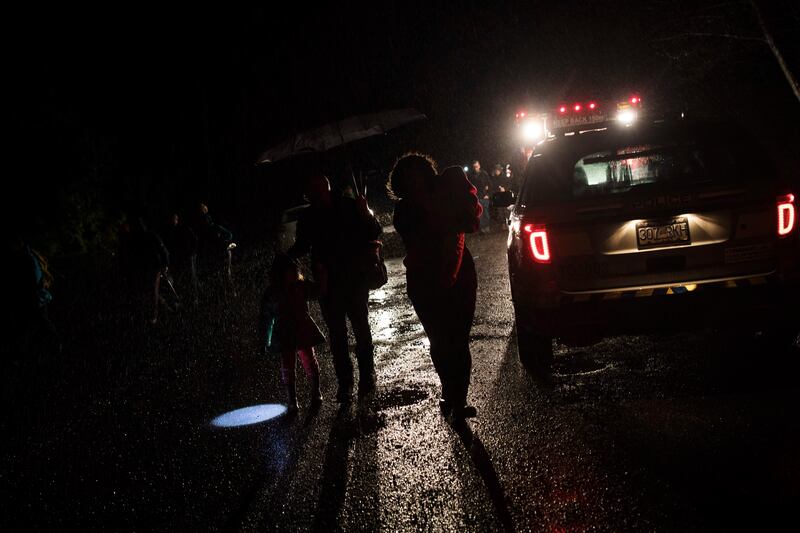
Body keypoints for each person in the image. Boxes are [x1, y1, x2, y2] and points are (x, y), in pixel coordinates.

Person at [390, 153, 482, 421]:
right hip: (425, 280)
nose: (416, 182)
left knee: (459, 340)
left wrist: (455, 193)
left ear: (429, 175)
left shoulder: (447, 189)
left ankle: (458, 401)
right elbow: (422, 232)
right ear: (401, 185)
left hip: (460, 274)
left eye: (419, 175)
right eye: (409, 179)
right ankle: (449, 391)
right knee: (440, 340)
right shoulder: (404, 210)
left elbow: (469, 222)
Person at [288, 175, 382, 402]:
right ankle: (346, 383)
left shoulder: (350, 206)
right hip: (328, 284)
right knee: (338, 335)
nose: (313, 196)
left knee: (360, 328)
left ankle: (367, 375)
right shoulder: (309, 217)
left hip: (355, 278)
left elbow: (374, 231)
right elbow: (302, 246)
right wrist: (285, 257)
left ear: (325, 189)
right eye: (310, 193)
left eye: (316, 191)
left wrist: (366, 210)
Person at [260, 254, 325, 412]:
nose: (294, 273)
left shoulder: (300, 286)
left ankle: (315, 392)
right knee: (289, 365)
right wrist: (265, 339)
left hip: (300, 328)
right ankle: (292, 400)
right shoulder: (274, 292)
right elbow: (266, 317)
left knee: (309, 359)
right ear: (281, 273)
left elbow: (318, 290)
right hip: (286, 333)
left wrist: (322, 274)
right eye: (291, 270)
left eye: (294, 270)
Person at [120, 217, 169, 324]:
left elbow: (162, 248)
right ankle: (161, 308)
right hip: (144, 267)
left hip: (154, 267)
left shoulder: (149, 235)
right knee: (147, 290)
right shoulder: (135, 237)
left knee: (152, 290)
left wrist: (165, 263)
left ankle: (154, 315)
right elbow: (131, 254)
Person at [163, 213, 200, 304]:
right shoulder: (172, 230)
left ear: (178, 219)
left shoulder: (184, 229)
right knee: (182, 277)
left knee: (191, 277)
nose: (173, 221)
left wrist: (192, 252)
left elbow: (195, 239)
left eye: (175, 219)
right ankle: (185, 298)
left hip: (188, 256)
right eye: (172, 219)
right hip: (181, 257)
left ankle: (195, 299)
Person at [468, 160, 491, 232]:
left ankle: (487, 227)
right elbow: (470, 186)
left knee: (486, 213)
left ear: (479, 166)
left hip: (484, 197)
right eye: (474, 167)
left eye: (477, 166)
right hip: (477, 198)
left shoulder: (484, 174)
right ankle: (482, 229)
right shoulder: (471, 176)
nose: (475, 168)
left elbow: (490, 184)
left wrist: (488, 194)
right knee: (479, 214)